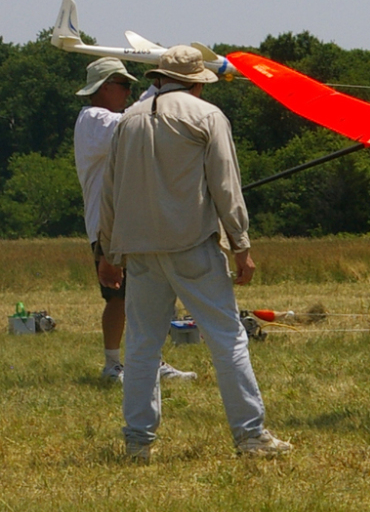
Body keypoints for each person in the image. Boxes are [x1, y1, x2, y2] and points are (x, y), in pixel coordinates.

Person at [97, 46, 290, 460]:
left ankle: (137, 441)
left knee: (142, 346)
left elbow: (108, 192)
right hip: (192, 245)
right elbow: (226, 185)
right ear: (197, 82)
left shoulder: (127, 119)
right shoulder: (207, 116)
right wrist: (241, 244)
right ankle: (251, 435)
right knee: (228, 340)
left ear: (159, 78)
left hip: (139, 251)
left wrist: (108, 250)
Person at [73, 57, 196, 384]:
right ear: (104, 88)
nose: (128, 91)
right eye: (124, 85)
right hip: (107, 225)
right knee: (118, 297)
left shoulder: (109, 119)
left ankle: (152, 362)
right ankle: (113, 364)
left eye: (131, 86)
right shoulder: (93, 119)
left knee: (147, 296)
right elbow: (133, 122)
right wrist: (160, 87)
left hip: (131, 223)